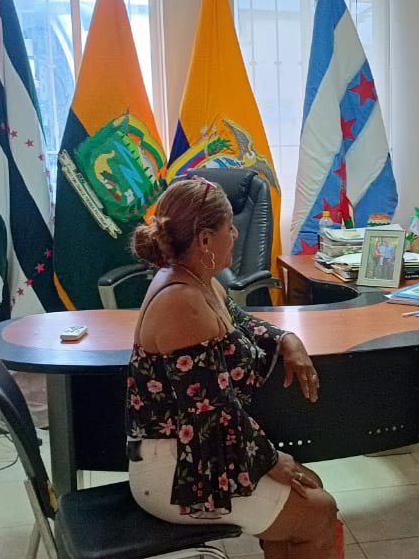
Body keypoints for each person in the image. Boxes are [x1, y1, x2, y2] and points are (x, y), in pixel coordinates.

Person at [126, 177, 339, 558]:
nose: (236, 234)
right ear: (205, 240)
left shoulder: (199, 281)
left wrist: (285, 339)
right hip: (176, 471)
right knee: (319, 511)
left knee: (311, 487)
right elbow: (213, 411)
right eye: (229, 227)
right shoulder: (181, 303)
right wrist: (270, 459)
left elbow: (242, 323)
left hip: (201, 450)